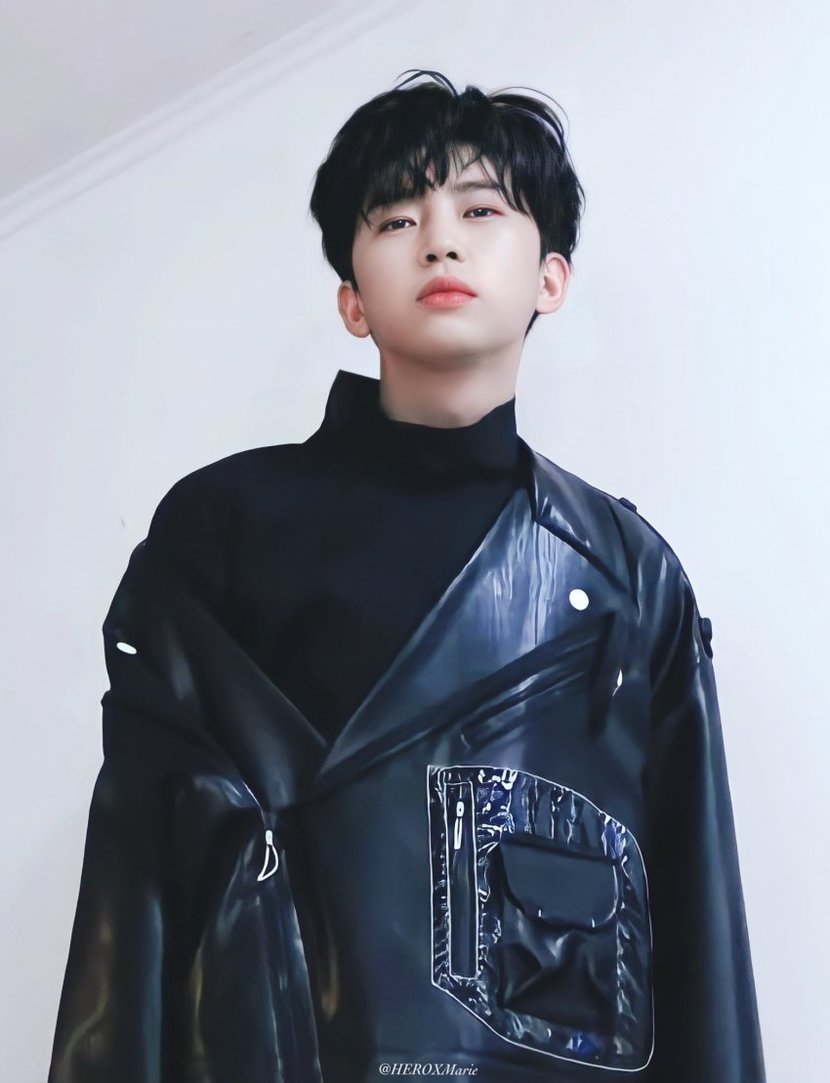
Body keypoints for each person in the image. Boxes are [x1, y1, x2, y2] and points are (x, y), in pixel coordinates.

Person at [49, 69, 766, 1082]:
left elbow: (696, 923)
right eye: (394, 219)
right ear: (352, 300)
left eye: (480, 210)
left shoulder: (622, 573)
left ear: (549, 279)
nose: (438, 240)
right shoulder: (224, 529)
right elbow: (135, 885)